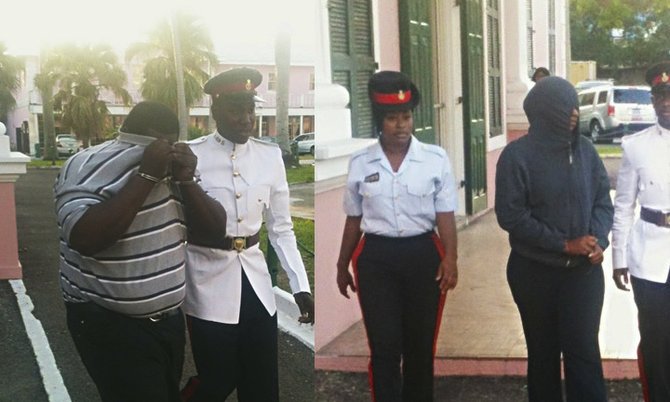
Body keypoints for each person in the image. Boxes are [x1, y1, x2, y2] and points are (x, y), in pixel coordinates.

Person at [53, 101, 227, 401]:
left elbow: (214, 231)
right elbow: (84, 238)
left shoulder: (174, 168)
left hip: (167, 321)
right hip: (109, 325)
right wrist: (146, 175)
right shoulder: (86, 164)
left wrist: (186, 178)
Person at [180, 67, 314, 401]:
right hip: (206, 281)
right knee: (217, 380)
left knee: (262, 384)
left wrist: (300, 285)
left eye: (250, 109)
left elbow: (281, 228)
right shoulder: (192, 154)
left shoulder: (269, 157)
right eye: (236, 109)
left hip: (255, 283)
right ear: (215, 112)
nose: (246, 118)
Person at [336, 70, 458, 402]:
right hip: (376, 258)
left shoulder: (434, 159)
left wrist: (451, 259)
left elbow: (445, 214)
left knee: (420, 344)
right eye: (392, 118)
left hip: (423, 254)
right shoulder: (361, 162)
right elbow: (354, 217)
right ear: (380, 120)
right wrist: (341, 264)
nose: (401, 124)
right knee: (385, 344)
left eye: (406, 116)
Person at [495, 76, 613, 402]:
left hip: (583, 275)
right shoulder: (516, 157)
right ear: (545, 112)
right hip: (534, 274)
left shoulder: (587, 152)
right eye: (566, 107)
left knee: (584, 351)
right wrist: (563, 243)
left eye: (575, 105)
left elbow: (603, 200)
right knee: (543, 353)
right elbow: (511, 216)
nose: (574, 113)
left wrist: (598, 240)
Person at [611, 61, 670, 402]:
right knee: (655, 338)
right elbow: (623, 205)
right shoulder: (635, 145)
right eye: (659, 95)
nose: (665, 102)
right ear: (652, 100)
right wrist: (618, 256)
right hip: (649, 257)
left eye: (669, 95)